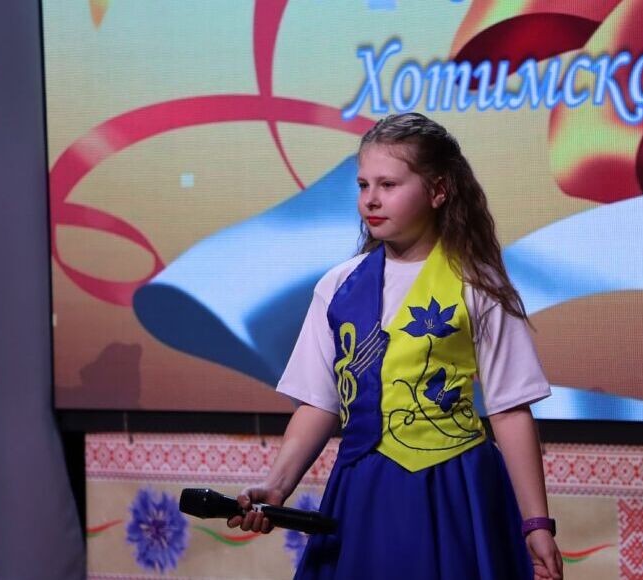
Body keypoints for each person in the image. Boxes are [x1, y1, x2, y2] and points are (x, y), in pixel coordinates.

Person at [227, 112, 563, 580]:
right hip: (362, 493)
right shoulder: (338, 287)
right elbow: (320, 403)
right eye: (363, 185)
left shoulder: (477, 285)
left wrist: (536, 523)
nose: (371, 199)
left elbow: (509, 410)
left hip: (451, 489)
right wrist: (277, 485)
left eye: (388, 184)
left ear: (438, 190)